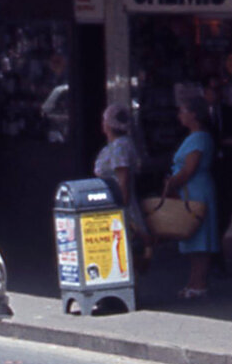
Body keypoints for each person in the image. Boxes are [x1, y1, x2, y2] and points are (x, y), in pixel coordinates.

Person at [161, 94, 218, 300]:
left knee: (200, 237)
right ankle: (193, 281)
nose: (180, 115)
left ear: (194, 114)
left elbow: (189, 170)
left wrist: (170, 185)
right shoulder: (193, 136)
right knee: (192, 237)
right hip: (189, 189)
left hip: (195, 189)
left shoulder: (200, 137)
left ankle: (200, 283)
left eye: (183, 111)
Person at [93, 102, 149, 270]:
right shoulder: (117, 145)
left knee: (126, 246)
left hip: (119, 204)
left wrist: (121, 209)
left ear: (108, 124)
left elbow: (122, 179)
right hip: (112, 202)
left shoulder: (120, 146)